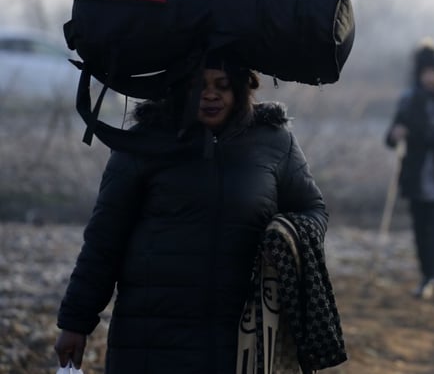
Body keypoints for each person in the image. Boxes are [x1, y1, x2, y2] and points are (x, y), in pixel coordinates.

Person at [54, 56, 334, 373]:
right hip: (151, 340)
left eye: (222, 86)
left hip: (240, 340)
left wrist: (286, 235)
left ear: (242, 89)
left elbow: (313, 209)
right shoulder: (143, 143)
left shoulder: (274, 142)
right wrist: (75, 322)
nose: (210, 95)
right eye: (197, 86)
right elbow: (104, 241)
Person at [385, 41, 434, 302]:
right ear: (419, 73)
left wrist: (423, 136)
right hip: (416, 176)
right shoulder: (408, 100)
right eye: (428, 71)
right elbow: (391, 137)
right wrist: (396, 135)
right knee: (420, 229)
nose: (432, 77)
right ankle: (427, 276)